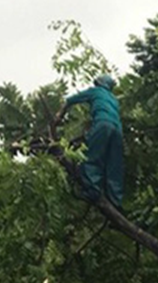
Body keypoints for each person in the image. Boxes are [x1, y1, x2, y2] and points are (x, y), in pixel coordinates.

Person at [53, 74, 124, 209]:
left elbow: (70, 100)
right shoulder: (114, 100)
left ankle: (93, 191)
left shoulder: (95, 91)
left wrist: (59, 115)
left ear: (99, 83)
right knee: (114, 164)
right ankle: (116, 201)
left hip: (102, 124)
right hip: (117, 130)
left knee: (92, 156)